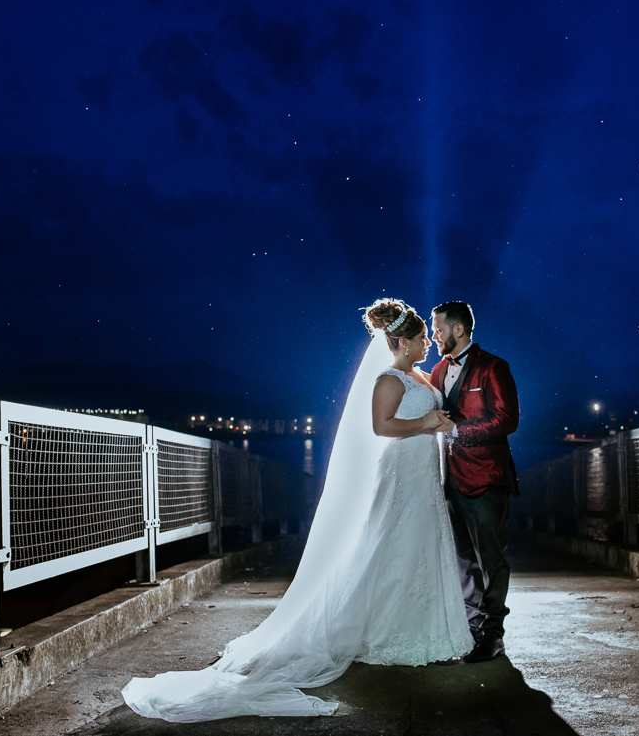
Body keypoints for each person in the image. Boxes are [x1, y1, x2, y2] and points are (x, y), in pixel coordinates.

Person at [121, 299, 472, 722]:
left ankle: (425, 629)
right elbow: (382, 427)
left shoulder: (418, 375)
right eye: (420, 339)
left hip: (424, 474)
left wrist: (443, 423)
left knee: (422, 546)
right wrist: (428, 423)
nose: (426, 345)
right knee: (392, 547)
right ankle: (382, 631)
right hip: (401, 471)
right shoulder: (389, 379)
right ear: (400, 340)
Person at [429, 301, 520, 664]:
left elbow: (507, 420)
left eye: (438, 329)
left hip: (486, 480)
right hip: (449, 481)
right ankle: (471, 627)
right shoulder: (437, 370)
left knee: (491, 560)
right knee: (462, 560)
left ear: (459, 330)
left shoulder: (494, 367)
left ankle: (493, 635)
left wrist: (459, 430)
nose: (434, 335)